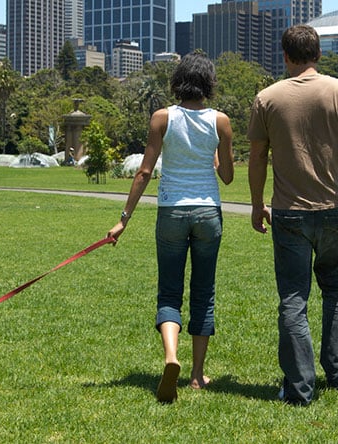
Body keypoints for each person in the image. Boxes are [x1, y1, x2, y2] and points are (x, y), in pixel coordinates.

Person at [247, 25, 338, 406]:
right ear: (318, 53)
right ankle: (336, 374)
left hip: (289, 212)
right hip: (335, 207)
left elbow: (257, 158)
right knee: (336, 287)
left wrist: (256, 204)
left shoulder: (267, 98)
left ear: (286, 56)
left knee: (293, 297)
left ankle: (300, 388)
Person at [107, 52, 234, 403]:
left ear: (178, 81)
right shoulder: (220, 121)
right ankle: (196, 376)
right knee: (203, 293)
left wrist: (123, 220)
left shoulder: (162, 117)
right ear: (208, 84)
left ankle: (170, 356)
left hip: (171, 214)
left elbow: (144, 171)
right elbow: (226, 176)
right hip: (208, 214)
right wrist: (213, 157)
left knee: (169, 292)